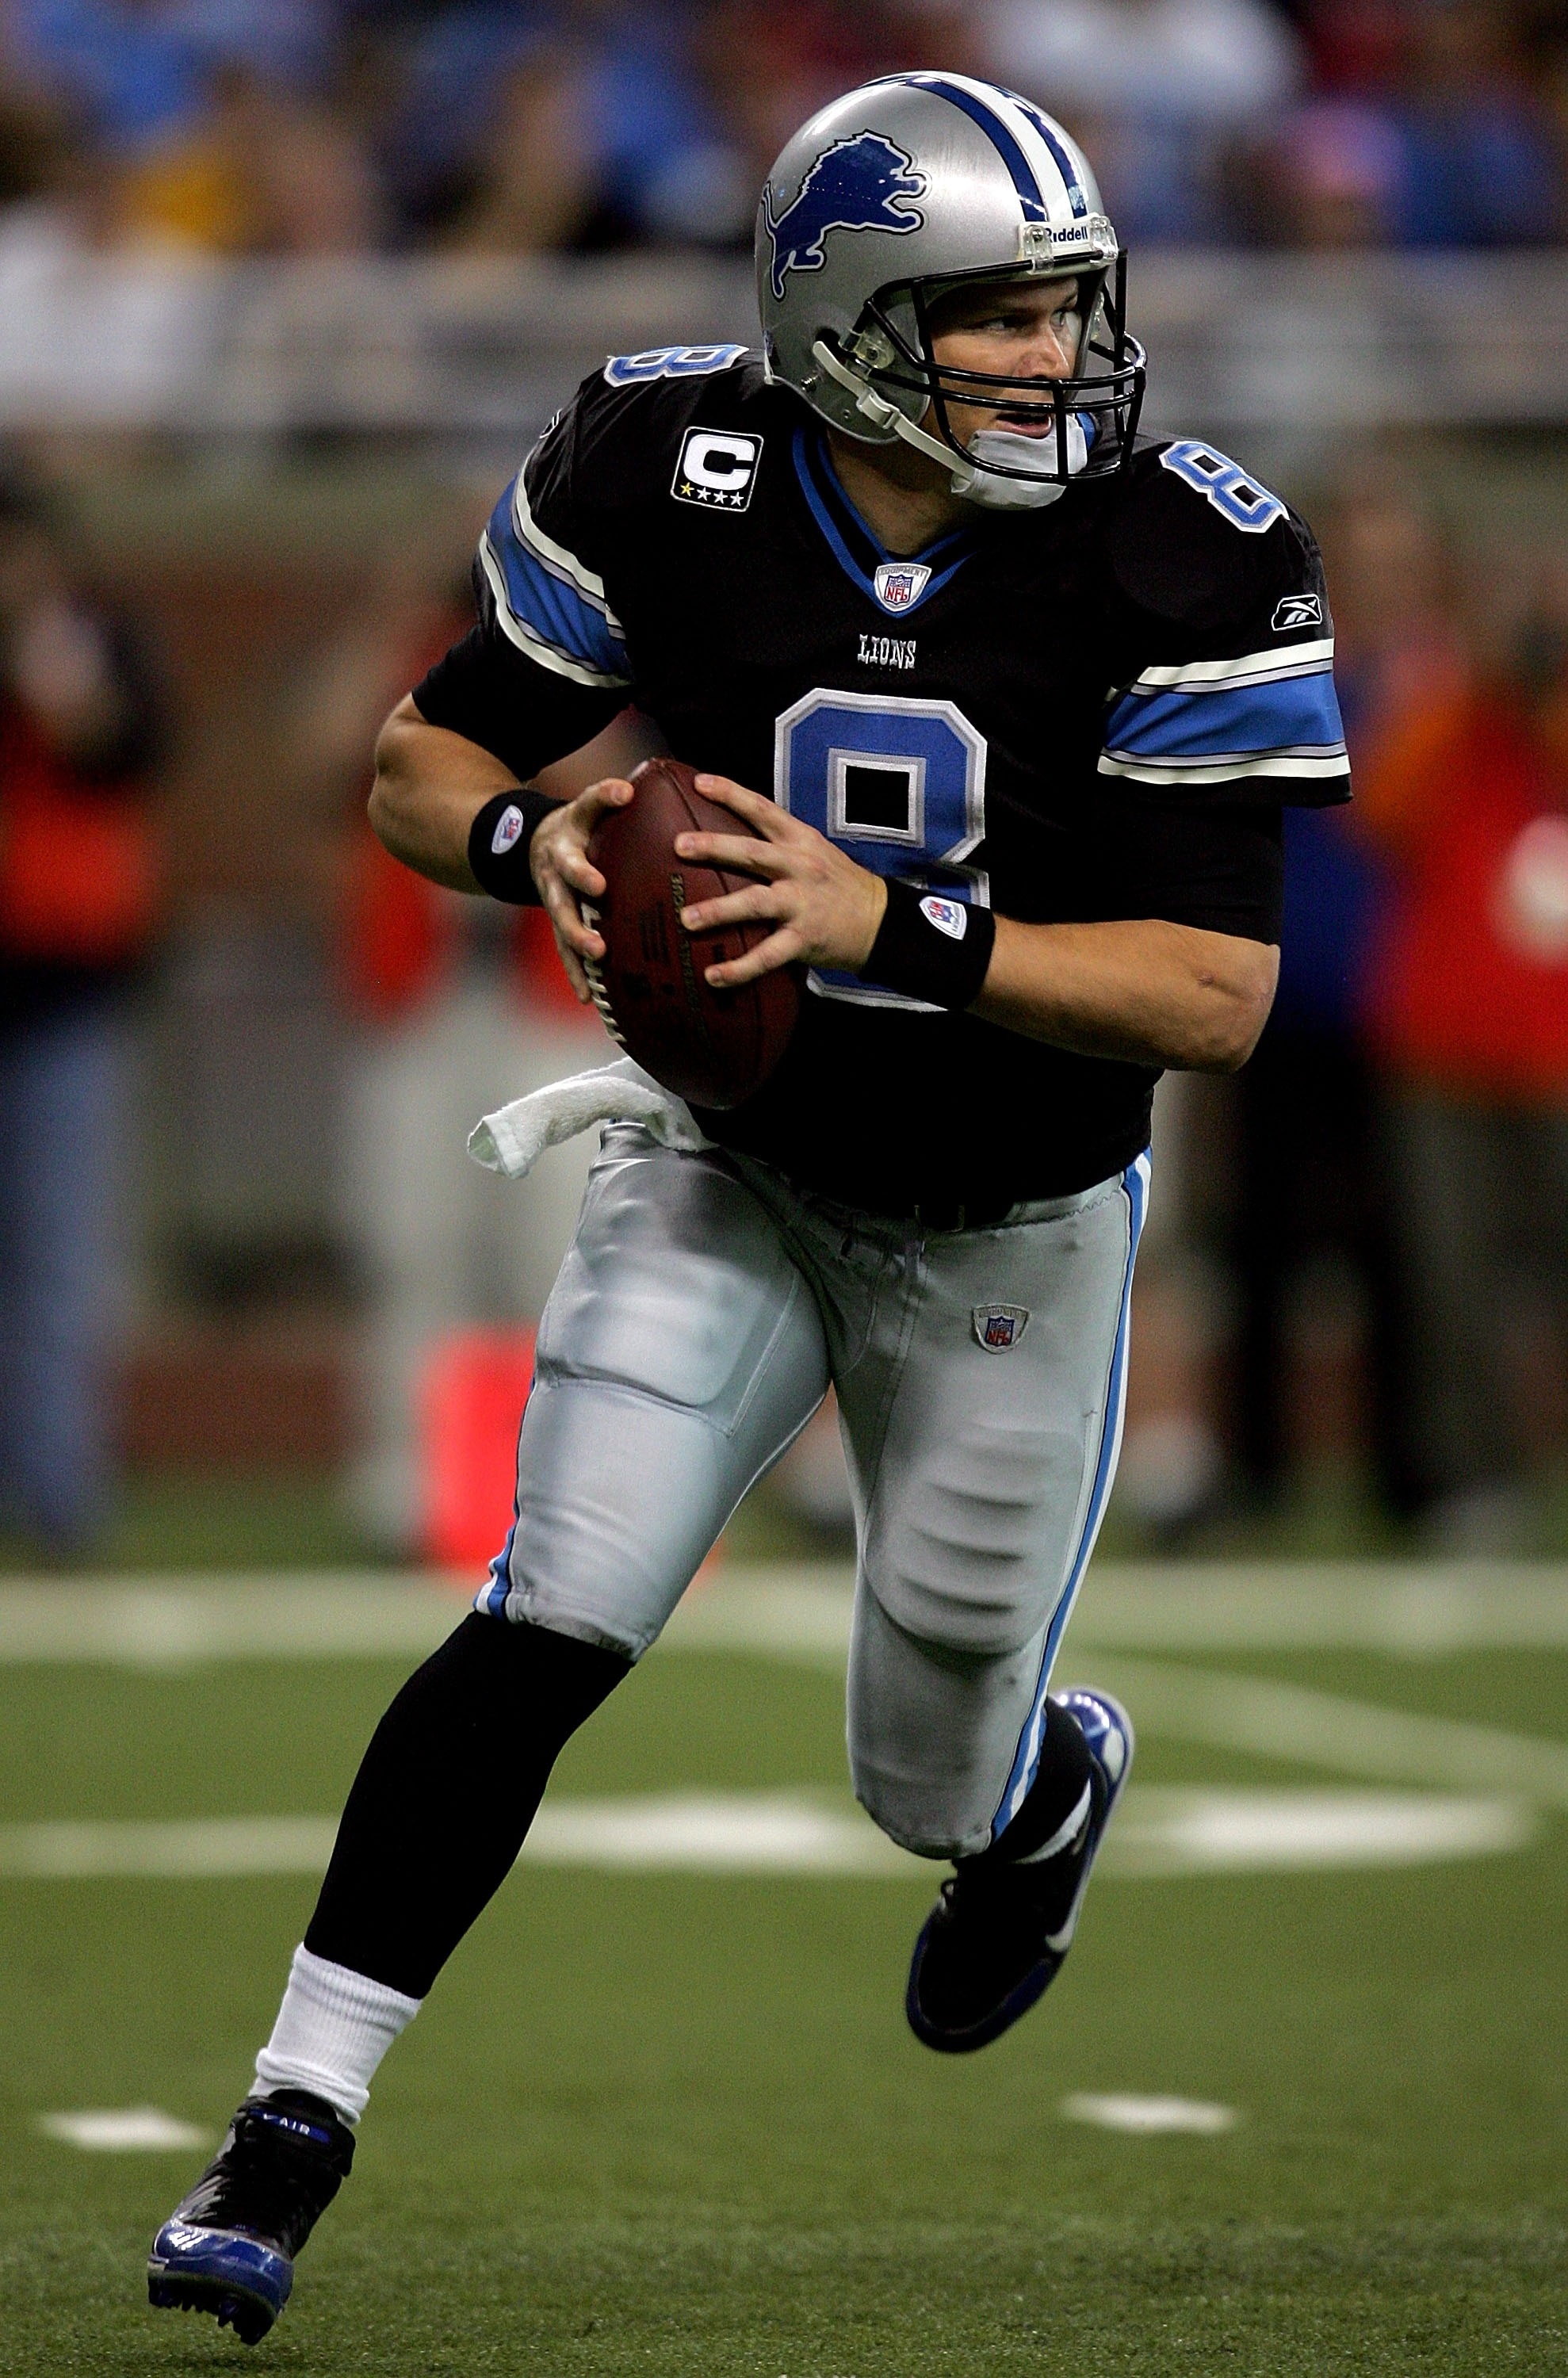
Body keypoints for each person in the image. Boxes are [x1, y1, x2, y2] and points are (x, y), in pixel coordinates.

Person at [148, 73, 1348, 2343]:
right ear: (845, 326)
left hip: (1008, 1226)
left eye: (1065, 306)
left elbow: (1214, 996)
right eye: (993, 314)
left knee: (926, 1775)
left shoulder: (1179, 551)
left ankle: (1029, 1803)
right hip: (732, 1166)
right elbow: (423, 763)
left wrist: (890, 929)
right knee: (551, 1610)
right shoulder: (664, 461)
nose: (1051, 355)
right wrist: (533, 843)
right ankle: (288, 2125)